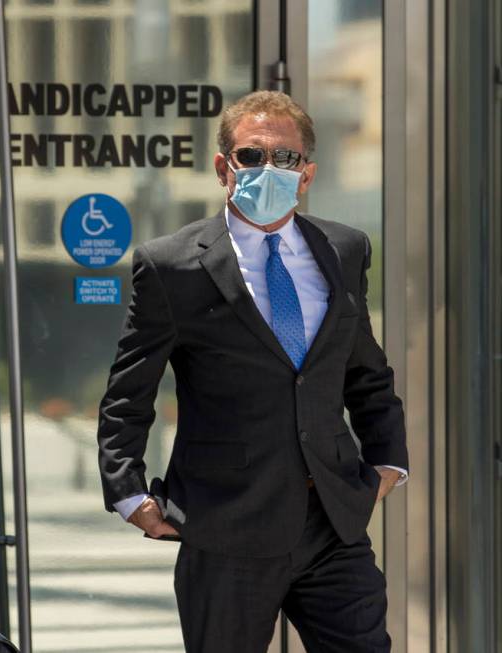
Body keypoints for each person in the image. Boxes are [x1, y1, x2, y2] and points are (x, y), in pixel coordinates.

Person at [96, 91, 408, 653]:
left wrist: (386, 462)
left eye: (285, 158)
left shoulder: (345, 249)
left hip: (333, 521)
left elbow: (365, 370)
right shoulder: (172, 265)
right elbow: (129, 392)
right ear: (223, 167)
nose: (270, 169)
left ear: (307, 173)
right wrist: (129, 494)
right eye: (251, 155)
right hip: (226, 527)